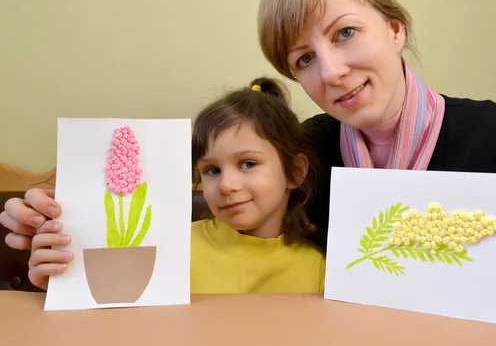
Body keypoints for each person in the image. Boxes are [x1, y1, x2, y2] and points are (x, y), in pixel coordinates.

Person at [2, 0, 496, 319]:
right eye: (303, 59)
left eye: (344, 34)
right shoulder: (308, 149)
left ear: (395, 29)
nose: (331, 72)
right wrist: (62, 235)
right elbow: (196, 210)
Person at [3, 77, 326, 294]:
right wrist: (62, 284)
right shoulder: (170, 246)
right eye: (211, 170)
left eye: (247, 164)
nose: (226, 185)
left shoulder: (319, 267)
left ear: (295, 172)